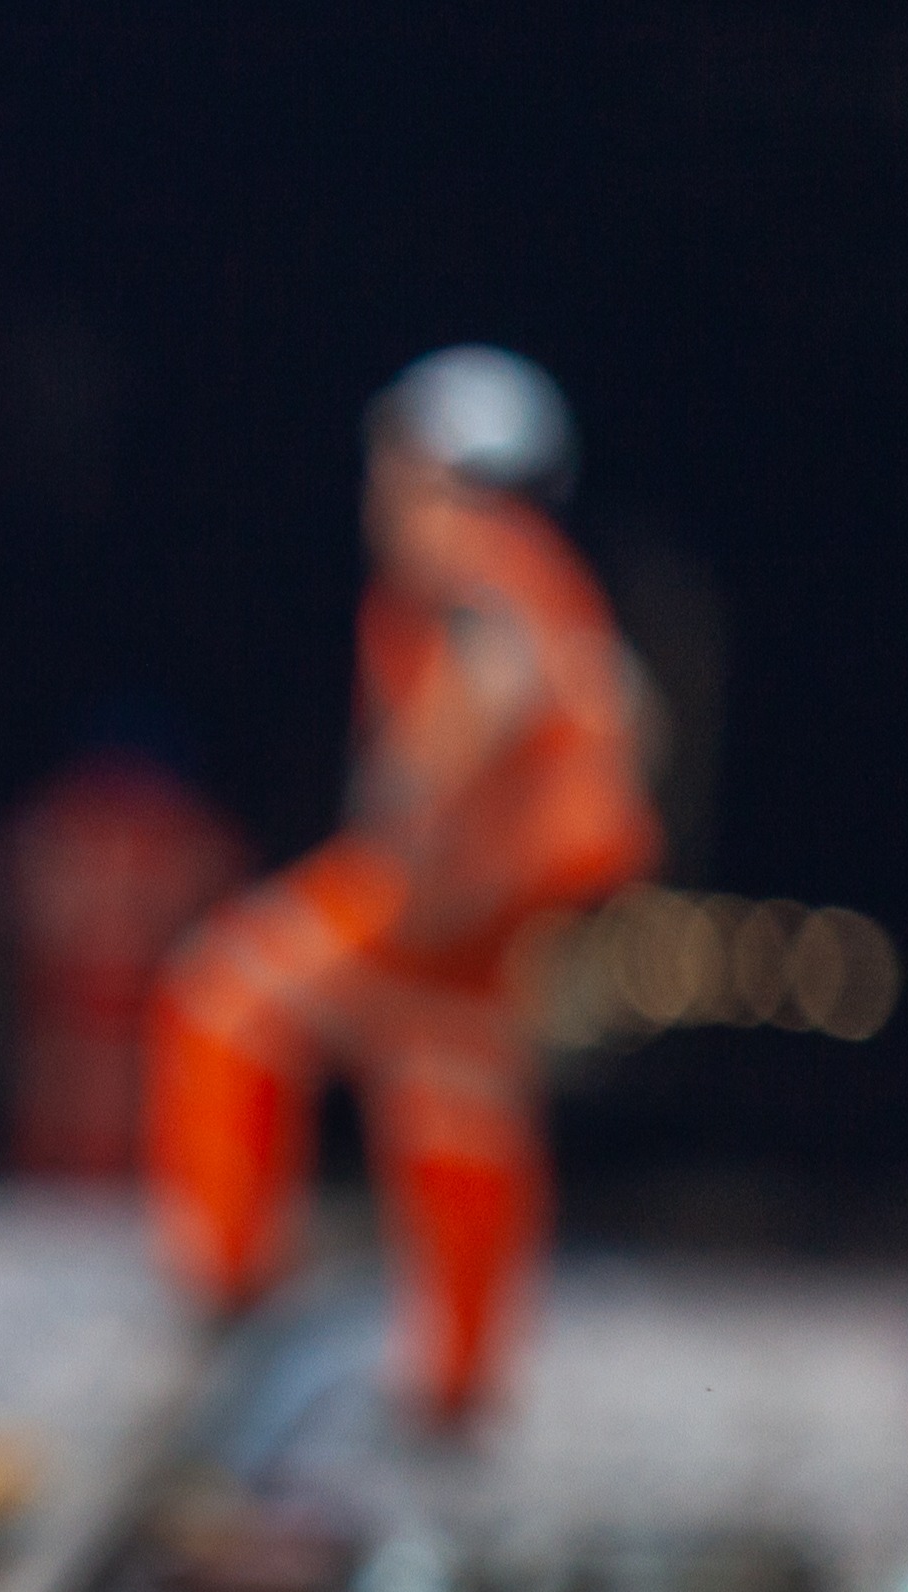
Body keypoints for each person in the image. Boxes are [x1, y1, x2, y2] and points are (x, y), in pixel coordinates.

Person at [148, 347, 656, 1426]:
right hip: (496, 903)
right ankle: (459, 1378)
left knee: (229, 998)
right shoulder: (553, 576)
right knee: (453, 1095)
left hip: (435, 884)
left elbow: (497, 680)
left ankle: (231, 1274)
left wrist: (414, 792)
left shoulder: (470, 551)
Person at [0, 732, 244, 1180]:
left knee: (137, 1087)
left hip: (147, 1002)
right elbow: (4, 895)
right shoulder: (51, 824)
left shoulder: (185, 829)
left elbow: (222, 900)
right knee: (67, 1093)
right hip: (68, 1002)